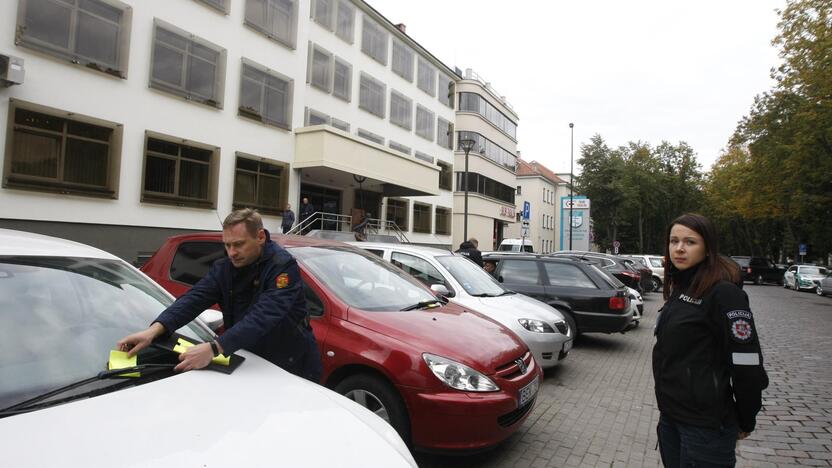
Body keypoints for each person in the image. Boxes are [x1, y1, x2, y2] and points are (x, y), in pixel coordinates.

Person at [117, 208, 323, 383]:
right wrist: (155, 330)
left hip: (292, 364)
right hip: (249, 361)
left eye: (239, 244)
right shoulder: (225, 268)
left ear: (260, 237)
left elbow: (264, 315)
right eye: (227, 245)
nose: (231, 252)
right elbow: (194, 298)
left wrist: (215, 348)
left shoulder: (282, 267)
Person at [652, 213, 768, 467]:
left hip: (705, 428)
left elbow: (747, 362)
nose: (679, 248)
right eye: (674, 241)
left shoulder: (723, 293)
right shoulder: (682, 289)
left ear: (707, 248)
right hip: (671, 419)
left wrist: (746, 416)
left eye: (690, 242)